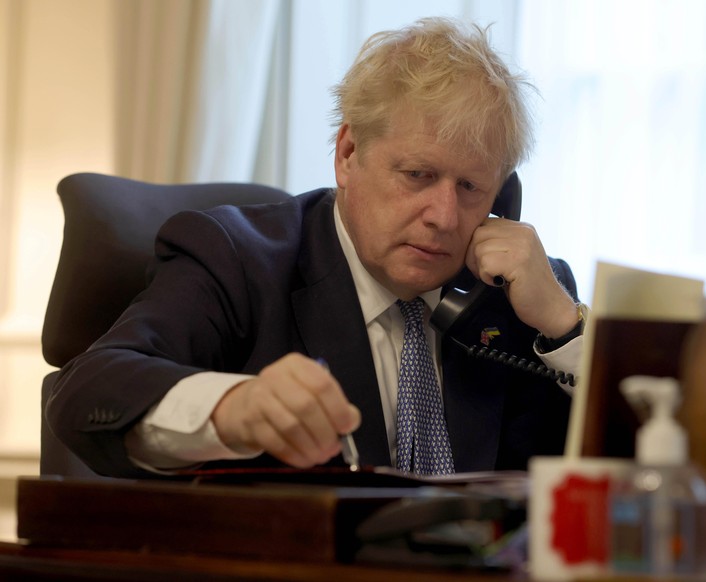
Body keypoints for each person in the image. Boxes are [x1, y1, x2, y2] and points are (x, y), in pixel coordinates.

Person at [47, 17, 586, 479]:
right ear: (348, 154)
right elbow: (87, 391)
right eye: (418, 175)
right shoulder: (238, 260)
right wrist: (233, 406)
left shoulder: (524, 298)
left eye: (470, 188)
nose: (444, 217)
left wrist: (566, 330)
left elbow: (628, 486)